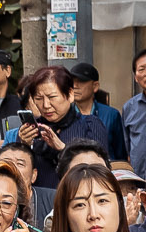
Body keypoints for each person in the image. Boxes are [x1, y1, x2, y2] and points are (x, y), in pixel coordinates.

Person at [12, 66, 107, 214]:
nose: (46, 105)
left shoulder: (90, 125)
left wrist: (63, 148)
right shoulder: (32, 130)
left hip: (80, 205)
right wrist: (24, 145)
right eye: (38, 98)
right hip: (38, 207)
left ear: (70, 95)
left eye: (51, 97)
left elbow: (99, 170)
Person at [64, 60, 129, 163]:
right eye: (72, 81)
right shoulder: (65, 115)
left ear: (95, 86)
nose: (75, 86)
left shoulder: (111, 115)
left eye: (81, 81)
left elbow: (120, 155)